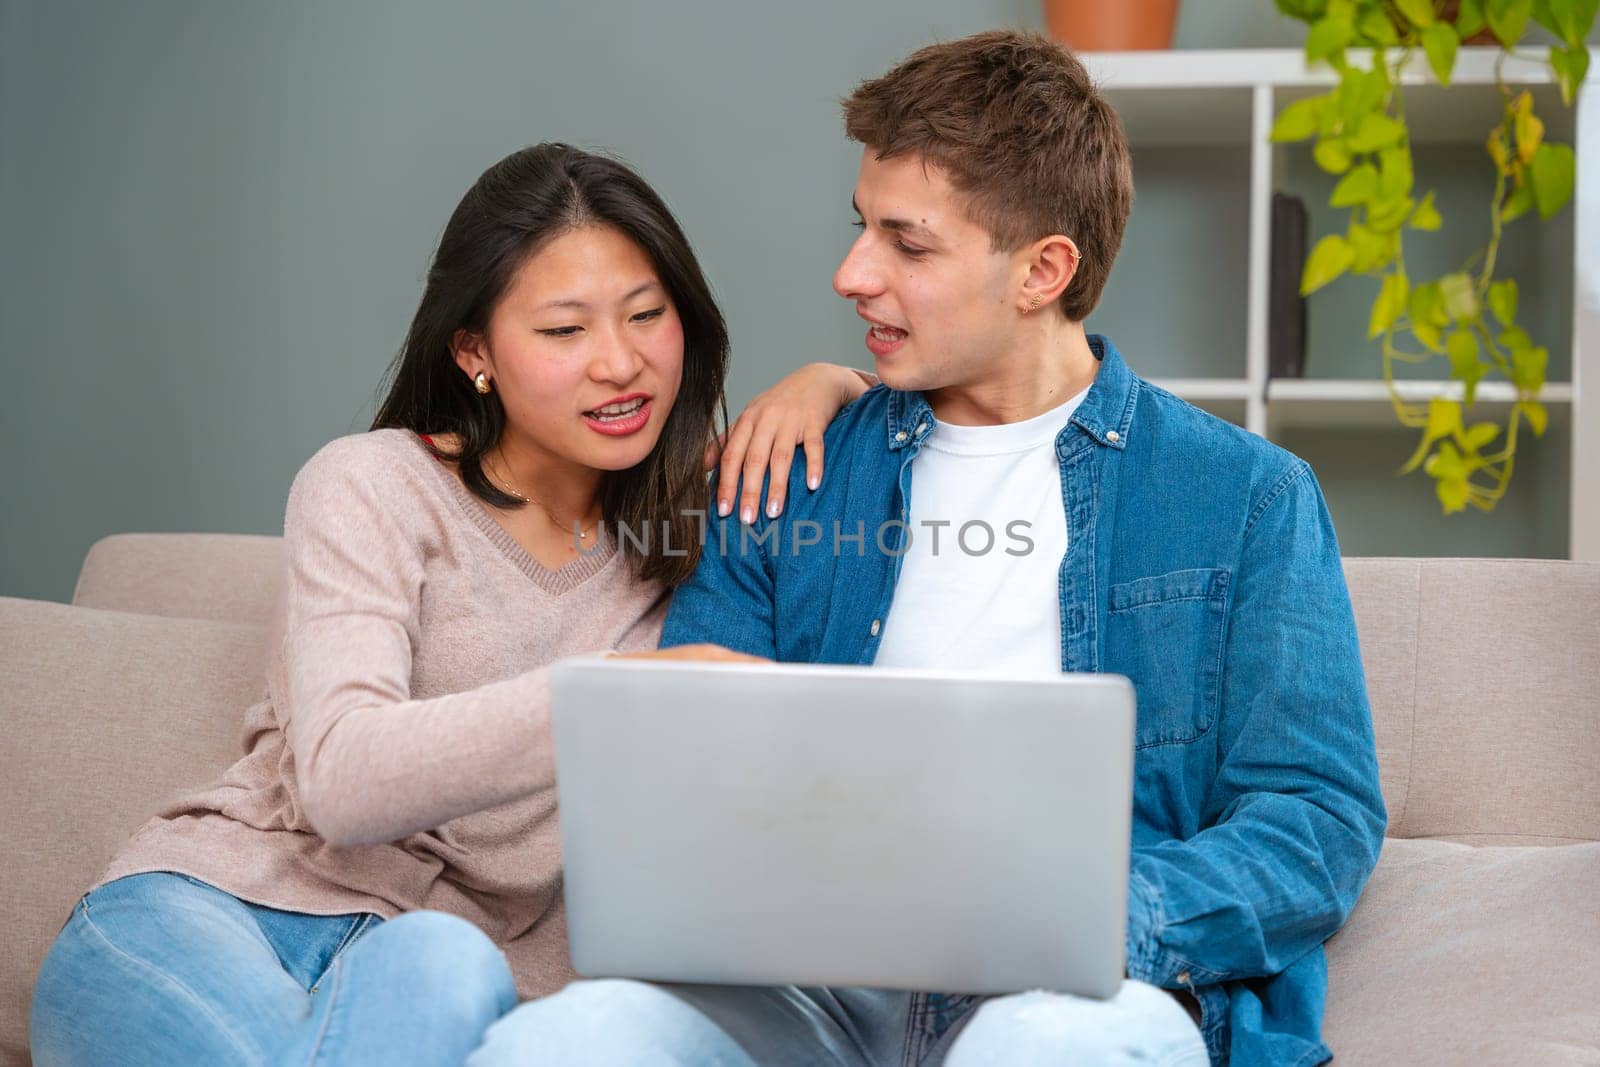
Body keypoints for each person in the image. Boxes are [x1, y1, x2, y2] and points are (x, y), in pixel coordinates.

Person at [478, 31, 1386, 1067]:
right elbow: (693, 765)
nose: (850, 273)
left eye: (906, 245)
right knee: (570, 1038)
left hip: (1072, 990)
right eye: (860, 226)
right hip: (807, 992)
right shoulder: (789, 471)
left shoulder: (1244, 498)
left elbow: (1316, 814)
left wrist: (1104, 914)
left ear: (1043, 270)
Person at [28, 142, 872, 1066]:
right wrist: (627, 692)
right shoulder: (373, 484)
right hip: (220, 918)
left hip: (450, 985)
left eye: (647, 315)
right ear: (475, 350)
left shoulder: (693, 539)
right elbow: (344, 779)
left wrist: (831, 386)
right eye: (564, 331)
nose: (621, 364)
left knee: (441, 961)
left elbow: (917, 433)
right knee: (434, 960)